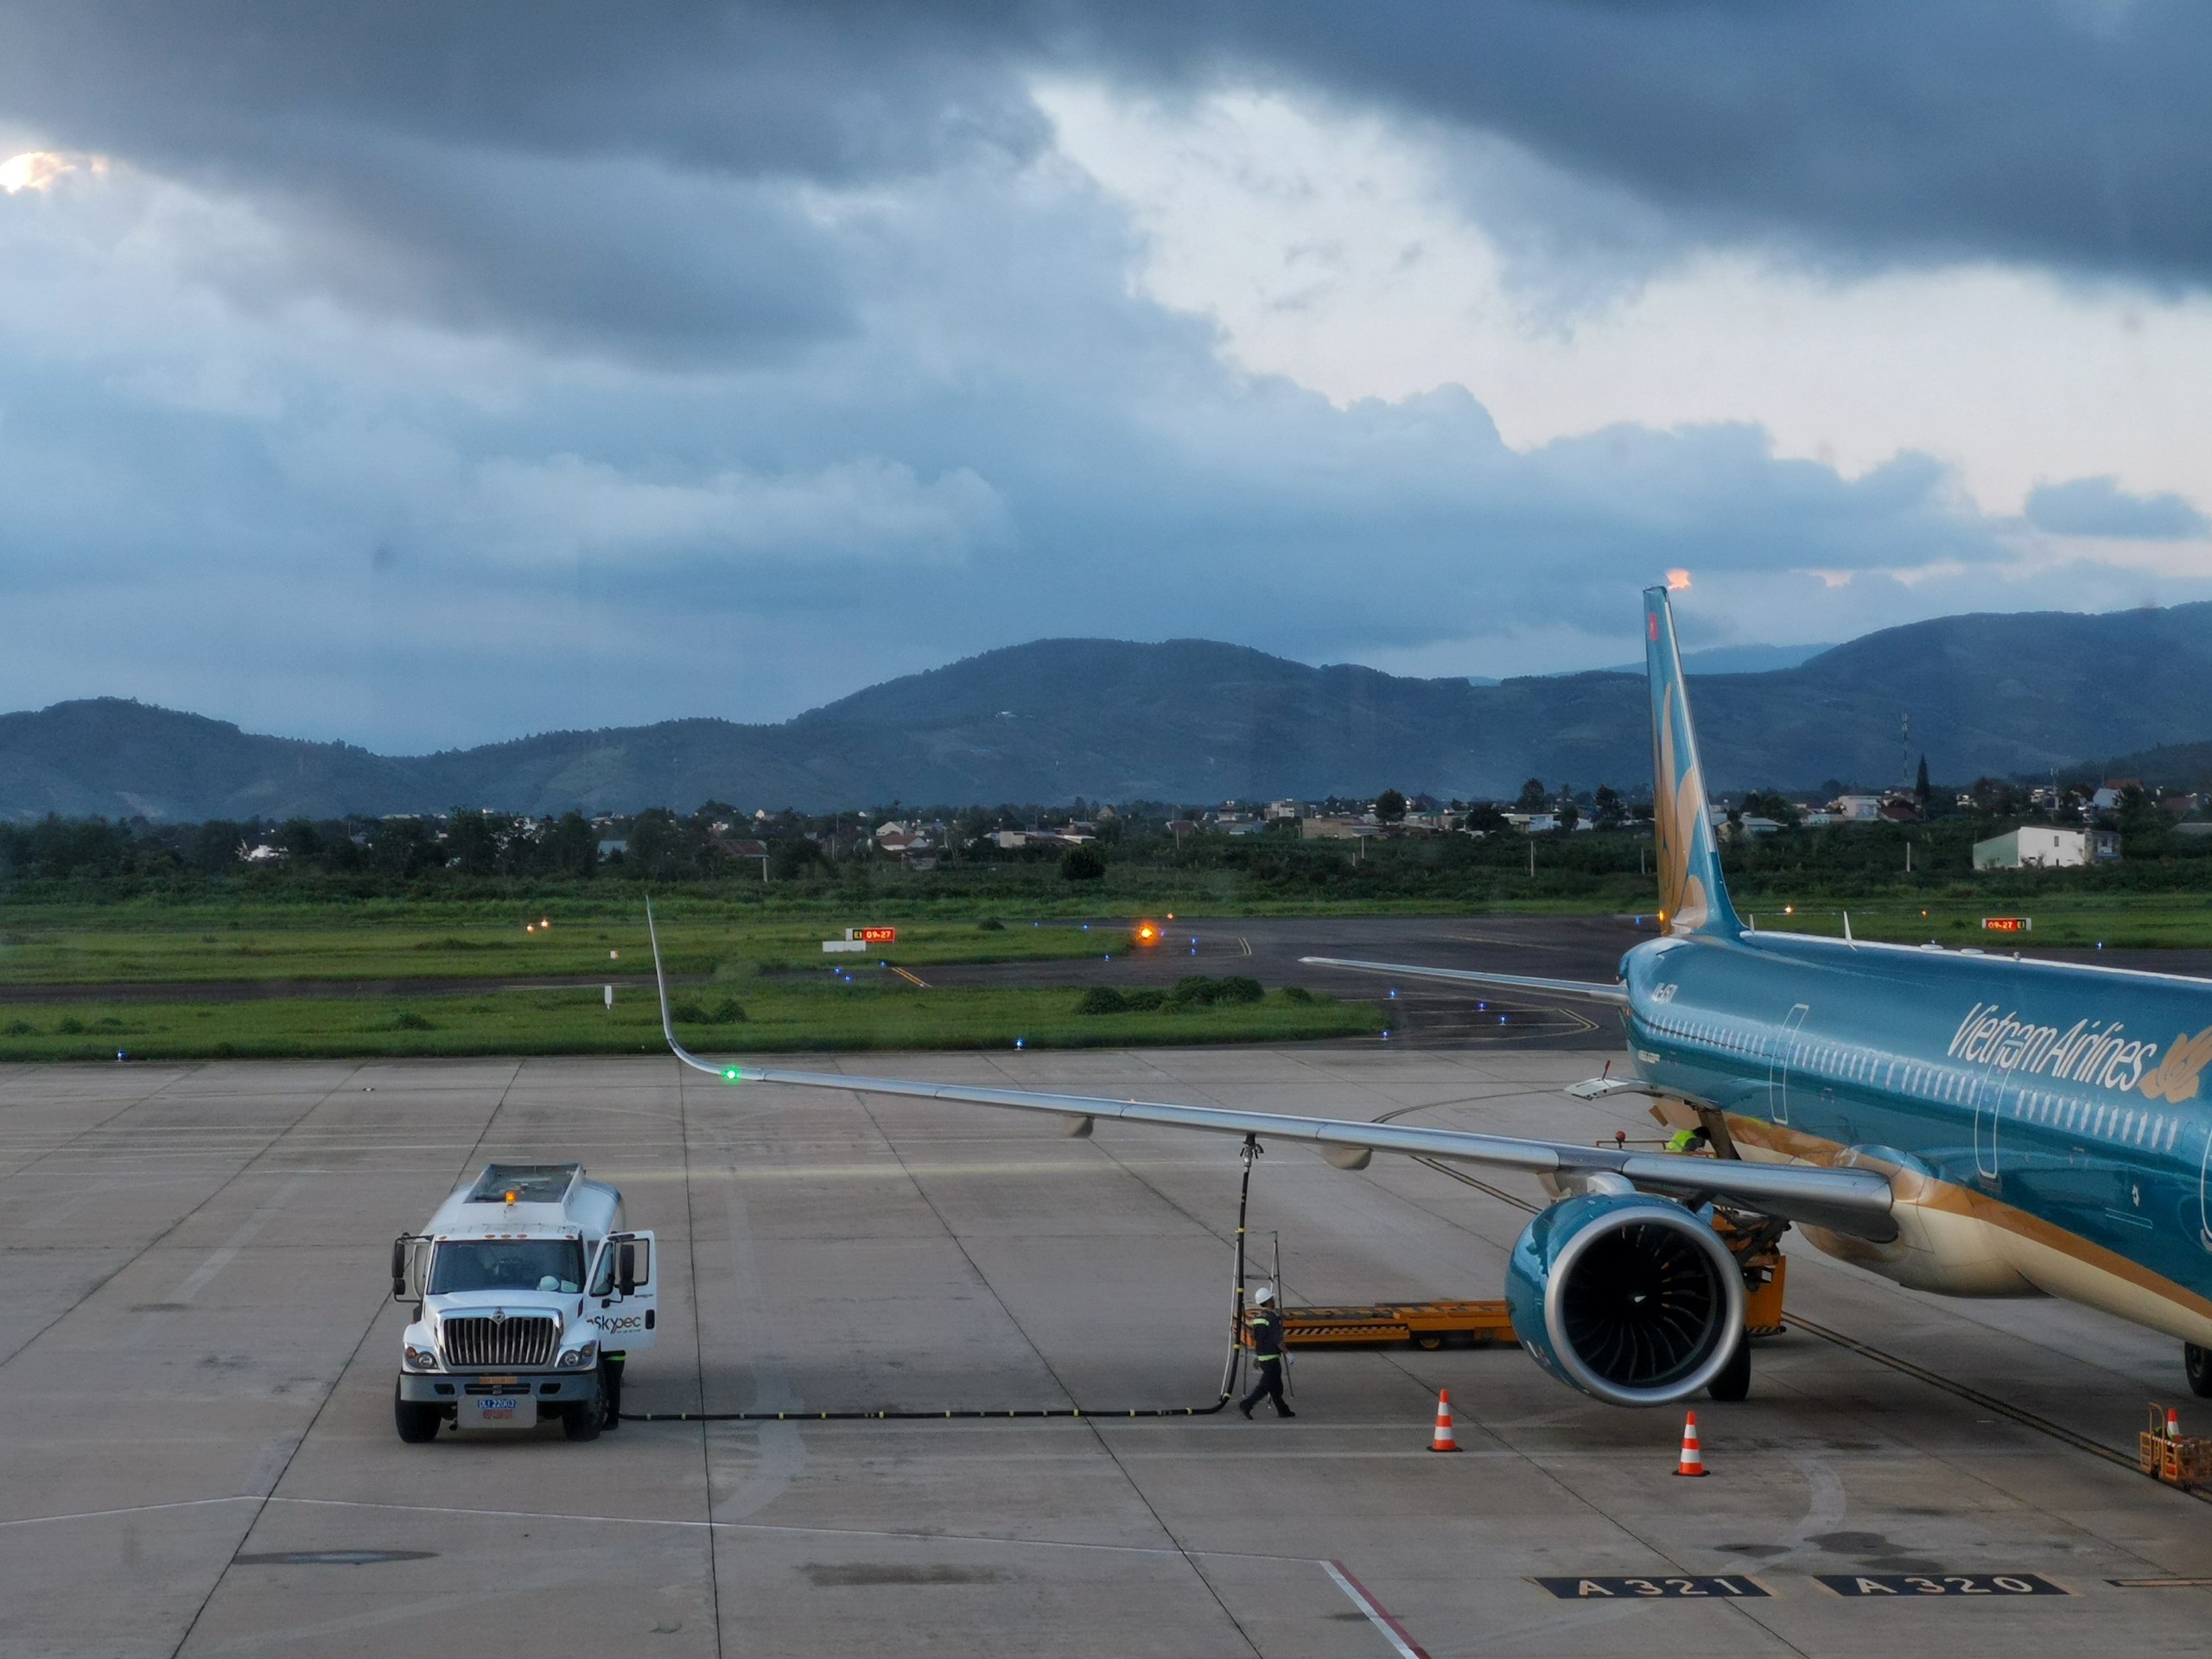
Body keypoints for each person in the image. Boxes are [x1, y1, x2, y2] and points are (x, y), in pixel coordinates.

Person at [1238, 1286, 1294, 1419]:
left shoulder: (1257, 1318)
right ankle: (1247, 1405)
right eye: (1272, 1298)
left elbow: (1259, 1339)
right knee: (1265, 1386)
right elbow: (1277, 1339)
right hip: (1272, 1359)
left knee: (1275, 1386)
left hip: (1264, 1358)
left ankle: (1283, 1410)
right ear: (1268, 1301)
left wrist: (1259, 1357)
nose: (1274, 1300)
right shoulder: (1273, 1318)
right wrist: (1288, 1354)